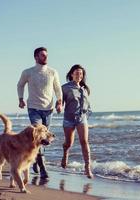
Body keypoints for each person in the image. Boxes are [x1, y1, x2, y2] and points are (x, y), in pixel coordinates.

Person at [17, 47, 62, 178]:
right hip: (33, 108)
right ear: (36, 57)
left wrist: (59, 102)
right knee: (39, 137)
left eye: (46, 55)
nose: (46, 57)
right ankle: (43, 168)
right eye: (42, 55)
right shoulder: (28, 72)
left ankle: (36, 158)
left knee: (44, 139)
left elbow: (57, 88)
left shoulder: (53, 72)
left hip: (48, 110)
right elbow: (20, 85)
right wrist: (20, 99)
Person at [61, 64, 93, 178]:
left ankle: (87, 168)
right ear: (71, 74)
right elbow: (60, 101)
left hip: (82, 118)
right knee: (69, 143)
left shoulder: (85, 88)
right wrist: (58, 106)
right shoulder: (65, 88)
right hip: (69, 118)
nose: (79, 75)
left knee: (84, 141)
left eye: (81, 73)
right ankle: (65, 154)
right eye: (77, 73)